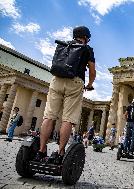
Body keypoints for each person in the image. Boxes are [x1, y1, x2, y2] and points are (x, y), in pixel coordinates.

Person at [34, 26, 96, 164]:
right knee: (67, 119)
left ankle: (41, 151)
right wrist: (90, 84)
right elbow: (92, 71)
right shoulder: (87, 49)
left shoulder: (64, 45)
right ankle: (60, 152)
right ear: (85, 37)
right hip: (75, 82)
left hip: (56, 80)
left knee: (49, 116)